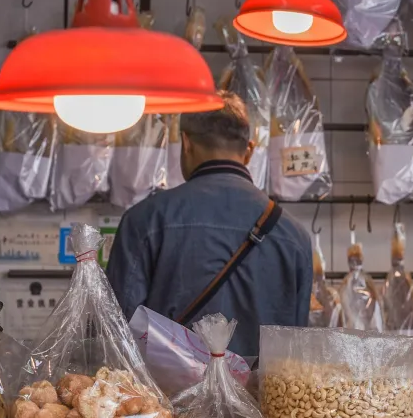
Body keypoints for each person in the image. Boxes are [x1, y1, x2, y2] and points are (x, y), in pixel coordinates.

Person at [106, 91, 312, 356]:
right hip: (259, 395)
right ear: (249, 151)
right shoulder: (294, 235)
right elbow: (296, 347)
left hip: (165, 396)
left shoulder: (145, 220)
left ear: (186, 143)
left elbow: (117, 333)